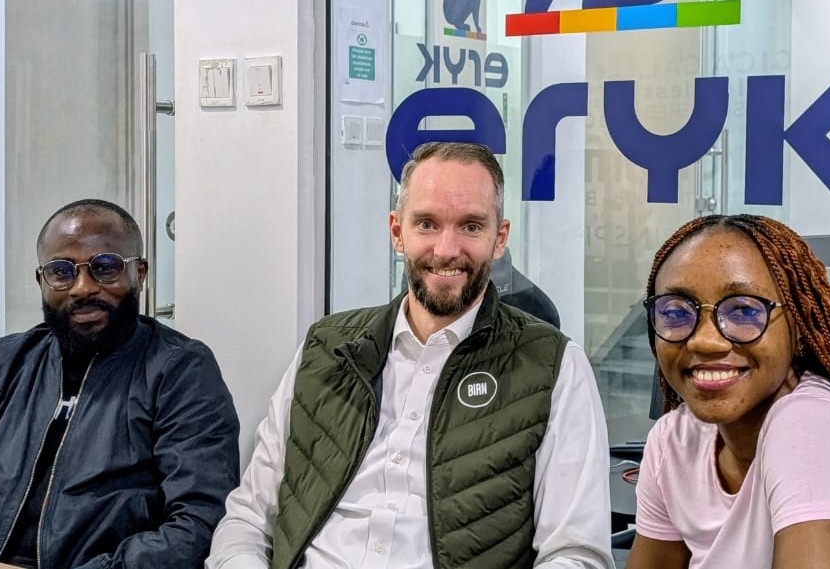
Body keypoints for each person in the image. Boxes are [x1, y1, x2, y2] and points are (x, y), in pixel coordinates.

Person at [206, 142, 613, 568]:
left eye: (471, 226)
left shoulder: (554, 366)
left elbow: (575, 555)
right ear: (397, 232)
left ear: (499, 239)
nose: (446, 249)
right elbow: (247, 519)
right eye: (427, 224)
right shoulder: (324, 349)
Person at [0, 199, 241, 569]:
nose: (82, 288)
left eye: (105, 267)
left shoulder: (180, 370)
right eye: (61, 271)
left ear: (140, 273)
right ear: (42, 281)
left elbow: (196, 524)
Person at [626, 214, 830, 569]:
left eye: (744, 310)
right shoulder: (674, 439)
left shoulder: (810, 425)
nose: (705, 340)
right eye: (675, 312)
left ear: (798, 328)